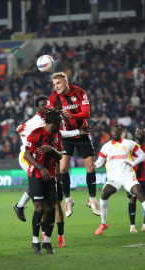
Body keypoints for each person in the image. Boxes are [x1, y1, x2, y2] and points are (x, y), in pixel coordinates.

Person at [13, 95, 90, 248]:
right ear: (37, 107)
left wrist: (77, 132)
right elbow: (22, 133)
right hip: (28, 156)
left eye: (47, 105)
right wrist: (23, 134)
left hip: (43, 157)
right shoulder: (33, 123)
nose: (46, 107)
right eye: (43, 105)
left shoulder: (50, 121)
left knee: (43, 183)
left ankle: (21, 207)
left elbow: (60, 133)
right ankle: (20, 206)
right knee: (38, 180)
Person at [94, 124, 145, 236]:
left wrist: (133, 163)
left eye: (118, 130)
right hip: (114, 178)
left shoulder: (129, 143)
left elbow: (142, 155)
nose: (115, 132)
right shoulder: (106, 146)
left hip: (128, 176)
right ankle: (103, 223)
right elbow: (100, 161)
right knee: (104, 193)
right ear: (111, 132)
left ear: (121, 133)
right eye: (114, 130)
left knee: (139, 193)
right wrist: (94, 164)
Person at [47, 72, 98, 217]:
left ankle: (92, 200)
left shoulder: (80, 92)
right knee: (62, 168)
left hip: (82, 133)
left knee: (91, 167)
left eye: (59, 83)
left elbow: (86, 112)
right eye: (54, 84)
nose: (56, 86)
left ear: (66, 82)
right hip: (66, 136)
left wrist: (72, 115)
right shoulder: (53, 97)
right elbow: (48, 115)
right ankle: (68, 200)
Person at [24, 109, 63, 255]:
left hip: (51, 175)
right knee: (39, 208)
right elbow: (27, 154)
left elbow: (60, 155)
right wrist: (41, 167)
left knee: (51, 208)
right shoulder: (36, 133)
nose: (61, 124)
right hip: (36, 175)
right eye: (60, 121)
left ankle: (46, 241)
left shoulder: (58, 135)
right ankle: (35, 242)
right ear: (54, 122)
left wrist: (52, 150)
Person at [126, 127, 145, 233]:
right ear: (135, 134)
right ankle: (132, 226)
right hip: (132, 178)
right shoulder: (130, 146)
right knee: (133, 199)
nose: (140, 133)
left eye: (142, 132)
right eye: (138, 132)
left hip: (143, 177)